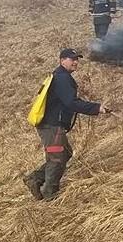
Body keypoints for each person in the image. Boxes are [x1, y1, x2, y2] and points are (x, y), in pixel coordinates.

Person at [23, 48, 109, 200]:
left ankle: (35, 179)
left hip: (52, 125)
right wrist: (96, 108)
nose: (75, 62)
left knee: (65, 153)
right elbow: (71, 103)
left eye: (77, 59)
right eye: (72, 59)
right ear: (62, 61)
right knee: (57, 158)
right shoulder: (62, 78)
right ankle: (49, 194)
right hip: (51, 125)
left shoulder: (60, 76)